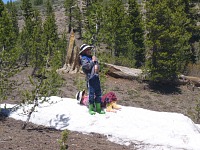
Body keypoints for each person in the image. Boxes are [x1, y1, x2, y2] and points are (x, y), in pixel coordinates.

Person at [79, 44, 105, 115]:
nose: (89, 51)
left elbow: (97, 66)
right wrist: (93, 62)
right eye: (87, 50)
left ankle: (98, 108)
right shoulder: (84, 58)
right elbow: (86, 67)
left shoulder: (91, 57)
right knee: (91, 93)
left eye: (89, 49)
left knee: (98, 93)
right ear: (84, 51)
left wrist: (96, 64)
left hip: (96, 77)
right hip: (90, 78)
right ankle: (91, 108)